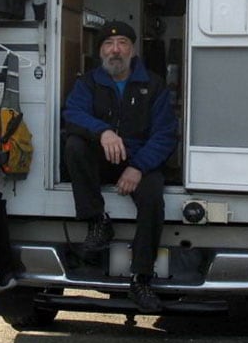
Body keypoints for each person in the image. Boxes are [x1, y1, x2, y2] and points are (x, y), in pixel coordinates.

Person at [63, 20, 177, 312]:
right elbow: (72, 113)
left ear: (132, 49)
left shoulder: (153, 85)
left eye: (122, 43)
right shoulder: (88, 82)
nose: (115, 50)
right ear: (100, 52)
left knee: (153, 196)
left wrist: (138, 167)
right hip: (102, 159)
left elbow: (165, 135)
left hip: (139, 162)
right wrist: (103, 131)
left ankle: (141, 279)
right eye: (108, 45)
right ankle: (97, 222)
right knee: (75, 145)